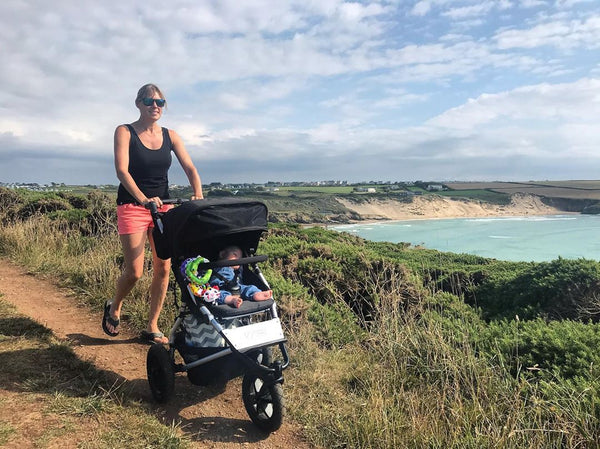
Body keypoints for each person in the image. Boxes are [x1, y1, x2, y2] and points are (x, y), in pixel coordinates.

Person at [102, 83, 203, 344]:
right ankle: (114, 306)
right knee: (135, 271)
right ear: (138, 104)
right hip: (133, 206)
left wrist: (198, 195)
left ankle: (152, 326)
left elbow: (190, 167)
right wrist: (144, 199)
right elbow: (121, 171)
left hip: (163, 208)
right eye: (149, 101)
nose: (155, 106)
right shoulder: (124, 131)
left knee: (163, 268)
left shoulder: (171, 135)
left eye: (160, 102)